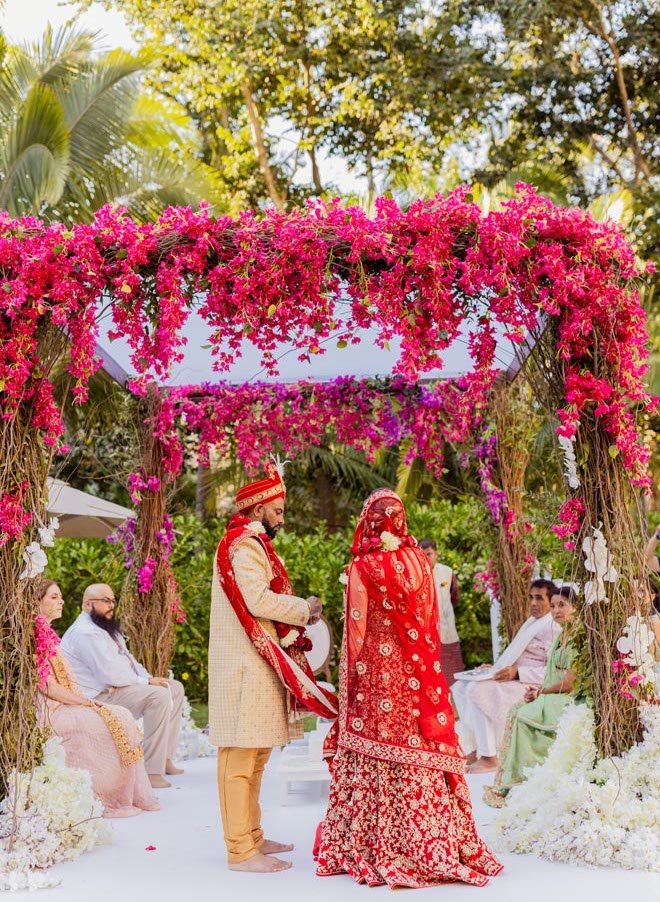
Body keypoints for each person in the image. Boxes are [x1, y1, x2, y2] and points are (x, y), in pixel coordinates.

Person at [316, 489, 502, 889]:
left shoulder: (364, 568)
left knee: (381, 746)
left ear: (371, 522)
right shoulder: (421, 561)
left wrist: (349, 684)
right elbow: (429, 622)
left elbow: (356, 630)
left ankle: (378, 842)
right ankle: (434, 842)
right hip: (418, 679)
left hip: (378, 678)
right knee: (419, 743)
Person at [209, 462, 337, 874]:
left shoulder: (255, 544)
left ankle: (254, 837)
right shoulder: (243, 545)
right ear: (257, 508)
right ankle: (240, 851)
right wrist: (305, 609)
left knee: (258, 755)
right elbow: (257, 601)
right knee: (241, 758)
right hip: (245, 666)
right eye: (277, 511)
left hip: (258, 661)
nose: (282, 518)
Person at [35, 580, 159, 817]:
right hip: (50, 709)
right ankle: (101, 794)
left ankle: (123, 791)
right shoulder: (32, 636)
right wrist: (84, 702)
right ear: (36, 601)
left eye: (60, 596)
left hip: (66, 702)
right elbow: (47, 686)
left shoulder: (48, 634)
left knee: (120, 715)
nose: (61, 601)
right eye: (54, 596)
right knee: (112, 719)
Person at [60, 583, 184, 789]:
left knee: (174, 688)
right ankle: (151, 771)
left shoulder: (104, 628)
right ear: (87, 604)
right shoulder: (85, 633)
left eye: (112, 600)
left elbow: (130, 662)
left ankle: (164, 758)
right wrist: (146, 683)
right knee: (158, 696)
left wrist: (149, 678)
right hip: (97, 698)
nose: (111, 605)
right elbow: (110, 674)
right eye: (105, 601)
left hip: (116, 689)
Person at [452, 578, 559, 774]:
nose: (533, 603)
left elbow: (553, 671)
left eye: (539, 598)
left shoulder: (553, 626)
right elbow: (519, 655)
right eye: (531, 598)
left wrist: (517, 673)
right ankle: (476, 749)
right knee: (459, 686)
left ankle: (489, 757)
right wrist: (495, 668)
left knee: (477, 689)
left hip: (529, 684)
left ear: (551, 601)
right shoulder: (533, 621)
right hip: (514, 678)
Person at [484, 586, 578, 806]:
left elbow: (571, 682)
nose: (556, 611)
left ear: (576, 608)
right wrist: (538, 693)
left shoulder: (578, 637)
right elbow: (551, 673)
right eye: (553, 606)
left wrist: (541, 692)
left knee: (524, 717)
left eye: (562, 605)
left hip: (569, 696)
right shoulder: (561, 636)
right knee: (517, 709)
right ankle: (515, 779)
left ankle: (529, 777)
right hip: (553, 693)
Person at [419, 538, 464, 686]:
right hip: (424, 634)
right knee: (429, 680)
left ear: (436, 554)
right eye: (422, 555)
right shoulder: (414, 575)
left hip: (446, 631)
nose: (426, 558)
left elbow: (455, 597)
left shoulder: (447, 572)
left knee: (452, 680)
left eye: (429, 554)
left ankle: (455, 708)